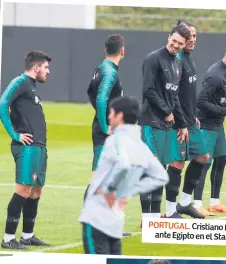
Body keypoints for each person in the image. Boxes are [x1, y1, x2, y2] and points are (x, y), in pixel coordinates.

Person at [79, 96, 169, 255]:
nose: (108, 116)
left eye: (111, 113)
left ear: (119, 116)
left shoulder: (114, 140)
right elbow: (161, 176)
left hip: (96, 219)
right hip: (115, 222)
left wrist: (111, 189)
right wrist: (128, 190)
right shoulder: (140, 146)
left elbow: (123, 163)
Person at [0, 50, 51, 249]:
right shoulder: (20, 82)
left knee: (36, 191)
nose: (48, 71)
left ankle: (27, 236)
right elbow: (3, 104)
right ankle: (8, 239)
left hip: (39, 147)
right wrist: (15, 134)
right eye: (46, 67)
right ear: (36, 67)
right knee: (23, 190)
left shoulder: (31, 87)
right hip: (27, 148)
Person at [138, 24, 190, 222]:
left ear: (185, 45)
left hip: (166, 124)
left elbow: (174, 96)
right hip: (150, 121)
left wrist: (182, 123)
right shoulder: (153, 58)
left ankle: (154, 218)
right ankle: (146, 218)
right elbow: (148, 90)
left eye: (180, 43)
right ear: (168, 37)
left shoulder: (177, 63)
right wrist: (166, 111)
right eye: (173, 40)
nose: (175, 45)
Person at [193, 43, 226, 215]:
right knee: (203, 164)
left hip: (218, 125)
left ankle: (215, 203)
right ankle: (196, 204)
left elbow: (218, 95)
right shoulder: (215, 74)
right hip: (207, 126)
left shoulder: (224, 72)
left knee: (221, 159)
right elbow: (201, 101)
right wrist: (224, 110)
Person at [165, 20, 209, 219]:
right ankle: (169, 210)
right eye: (188, 36)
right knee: (177, 163)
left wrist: (194, 116)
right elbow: (173, 95)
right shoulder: (177, 61)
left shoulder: (189, 59)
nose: (192, 39)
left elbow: (187, 93)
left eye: (194, 35)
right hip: (178, 123)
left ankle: (183, 203)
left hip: (191, 120)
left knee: (202, 157)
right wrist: (180, 121)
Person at [85, 34, 125, 201]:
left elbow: (90, 93)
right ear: (123, 51)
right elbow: (101, 100)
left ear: (105, 50)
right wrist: (105, 126)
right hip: (105, 132)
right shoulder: (110, 72)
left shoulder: (101, 68)